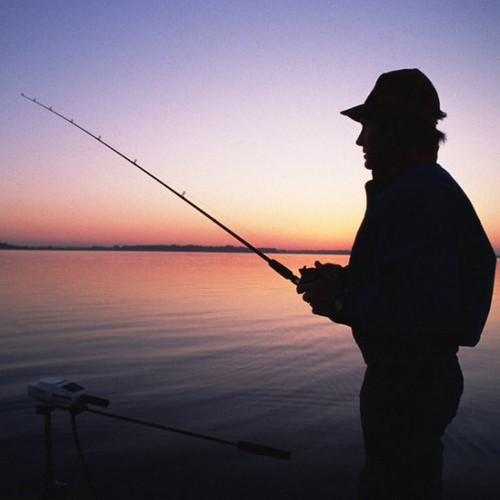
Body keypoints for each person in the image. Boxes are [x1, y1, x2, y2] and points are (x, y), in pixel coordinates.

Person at [297, 69, 496, 499]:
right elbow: (415, 281)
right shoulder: (416, 189)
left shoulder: (420, 194)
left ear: (394, 129)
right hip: (411, 378)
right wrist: (347, 281)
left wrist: (341, 301)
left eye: (366, 126)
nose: (359, 140)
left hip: (409, 383)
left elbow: (428, 308)